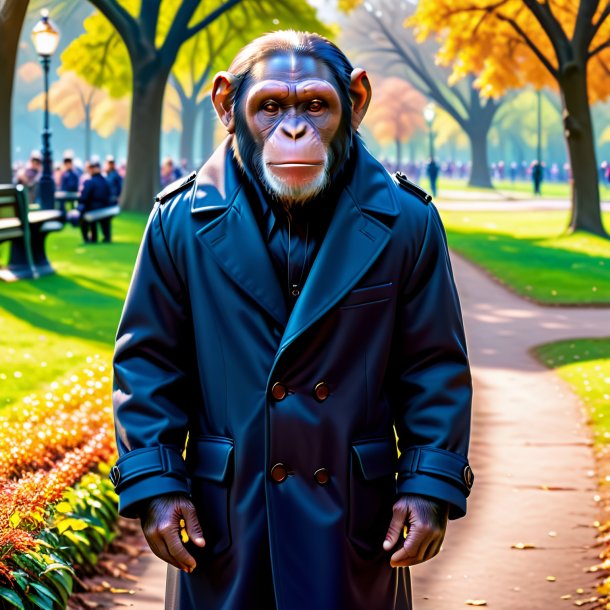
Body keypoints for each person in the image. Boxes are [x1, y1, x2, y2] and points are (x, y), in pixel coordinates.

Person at [110, 31, 473, 610]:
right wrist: (155, 484)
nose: (294, 129)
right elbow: (148, 361)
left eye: (315, 106)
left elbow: (433, 367)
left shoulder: (407, 221)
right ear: (228, 106)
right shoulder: (178, 221)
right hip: (228, 515)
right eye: (271, 107)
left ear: (355, 102)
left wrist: (430, 483)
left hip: (352, 514)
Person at [78, 160, 112, 243]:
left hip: (93, 209)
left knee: (83, 216)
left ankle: (89, 238)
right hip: (105, 208)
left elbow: (84, 197)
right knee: (103, 221)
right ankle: (106, 237)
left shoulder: (90, 182)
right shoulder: (105, 181)